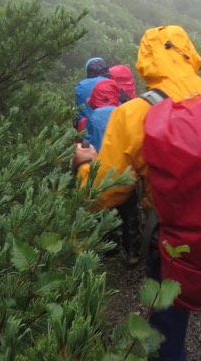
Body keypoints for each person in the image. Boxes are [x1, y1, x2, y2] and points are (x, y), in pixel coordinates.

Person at [73, 25, 201, 361]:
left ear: (144, 61)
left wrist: (85, 166)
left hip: (173, 244)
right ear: (190, 53)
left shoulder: (135, 113)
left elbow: (102, 195)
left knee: (167, 323)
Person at [74, 78, 142, 266]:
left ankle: (111, 250)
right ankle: (133, 252)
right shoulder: (124, 114)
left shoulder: (91, 119)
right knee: (130, 214)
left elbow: (84, 143)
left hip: (101, 173)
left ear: (94, 99)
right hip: (126, 172)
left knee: (105, 213)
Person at [73, 57, 111, 129]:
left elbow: (77, 111)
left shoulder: (80, 86)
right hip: (109, 129)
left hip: (85, 131)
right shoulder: (113, 85)